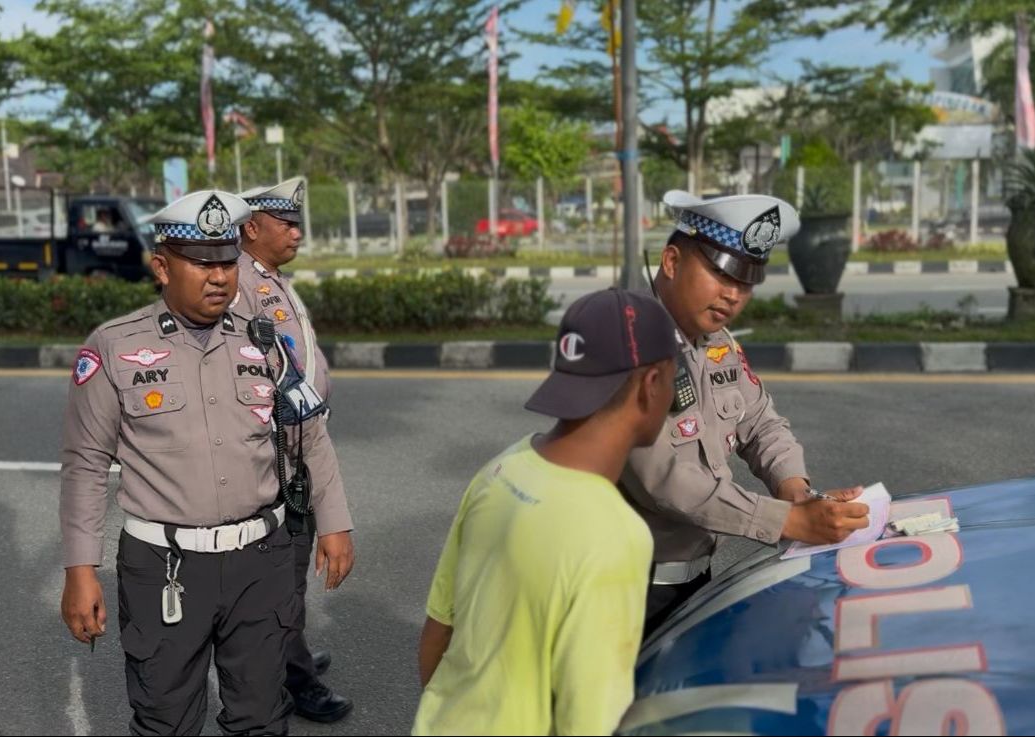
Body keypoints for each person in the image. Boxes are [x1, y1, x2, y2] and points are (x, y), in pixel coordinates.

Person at [59, 190, 302, 735]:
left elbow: (302, 437)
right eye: (201, 263)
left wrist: (334, 521)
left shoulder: (264, 340)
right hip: (163, 565)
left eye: (227, 263)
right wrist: (80, 570)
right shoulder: (113, 346)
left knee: (263, 716)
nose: (219, 277)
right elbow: (85, 463)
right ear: (163, 268)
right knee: (165, 720)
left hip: (260, 558)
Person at [413, 288, 680, 736]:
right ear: (651, 384)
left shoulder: (502, 468)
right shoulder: (616, 534)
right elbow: (589, 722)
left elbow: (438, 631)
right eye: (675, 377)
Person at [619, 190, 870, 637]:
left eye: (746, 281)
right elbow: (662, 480)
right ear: (672, 262)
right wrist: (786, 521)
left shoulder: (716, 343)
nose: (733, 295)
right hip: (622, 590)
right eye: (720, 273)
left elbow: (760, 422)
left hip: (692, 582)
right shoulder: (627, 343)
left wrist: (796, 491)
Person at [235, 177, 354, 723]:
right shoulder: (242, 284)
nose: (297, 233)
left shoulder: (269, 278)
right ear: (252, 228)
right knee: (282, 578)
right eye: (286, 223)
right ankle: (294, 679)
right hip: (279, 453)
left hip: (301, 444)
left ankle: (292, 652)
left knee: (290, 571)